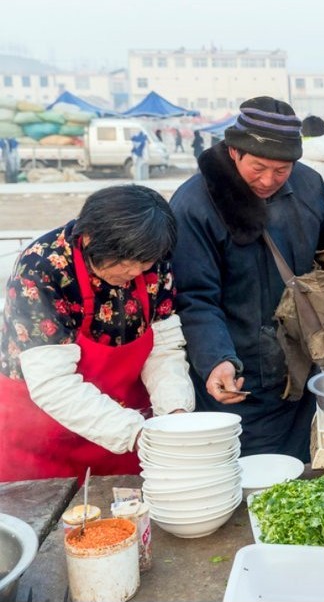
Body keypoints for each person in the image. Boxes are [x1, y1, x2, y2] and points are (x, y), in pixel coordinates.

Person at [170, 96, 324, 461]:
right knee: (251, 475)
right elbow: (195, 298)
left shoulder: (306, 182)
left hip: (300, 359)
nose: (269, 180)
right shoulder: (195, 205)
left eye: (281, 170)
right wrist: (216, 359)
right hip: (240, 376)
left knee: (305, 464)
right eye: (259, 167)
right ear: (234, 151)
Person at [0, 184, 194, 481]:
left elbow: (164, 347)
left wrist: (174, 412)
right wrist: (134, 432)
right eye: (124, 263)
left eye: (144, 264)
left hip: (123, 426)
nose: (134, 273)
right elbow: (53, 384)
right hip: (44, 432)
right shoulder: (42, 269)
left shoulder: (153, 257)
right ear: (89, 237)